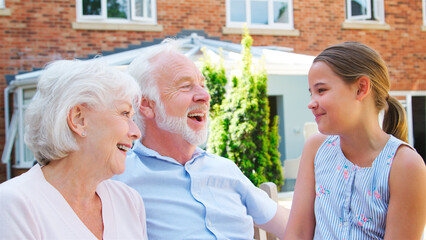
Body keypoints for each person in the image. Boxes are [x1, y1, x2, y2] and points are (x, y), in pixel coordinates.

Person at [112, 40, 289, 239]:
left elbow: (296, 230)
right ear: (146, 105)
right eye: (186, 86)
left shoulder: (226, 169)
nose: (205, 95)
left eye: (203, 85)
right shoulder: (118, 178)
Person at [284, 41, 426, 239]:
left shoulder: (405, 165)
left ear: (361, 88)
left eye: (321, 90)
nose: (311, 103)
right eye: (312, 93)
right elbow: (297, 234)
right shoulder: (316, 149)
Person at [0, 59, 148, 239]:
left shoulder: (128, 201)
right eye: (125, 113)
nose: (136, 133)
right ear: (78, 119)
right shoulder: (14, 204)